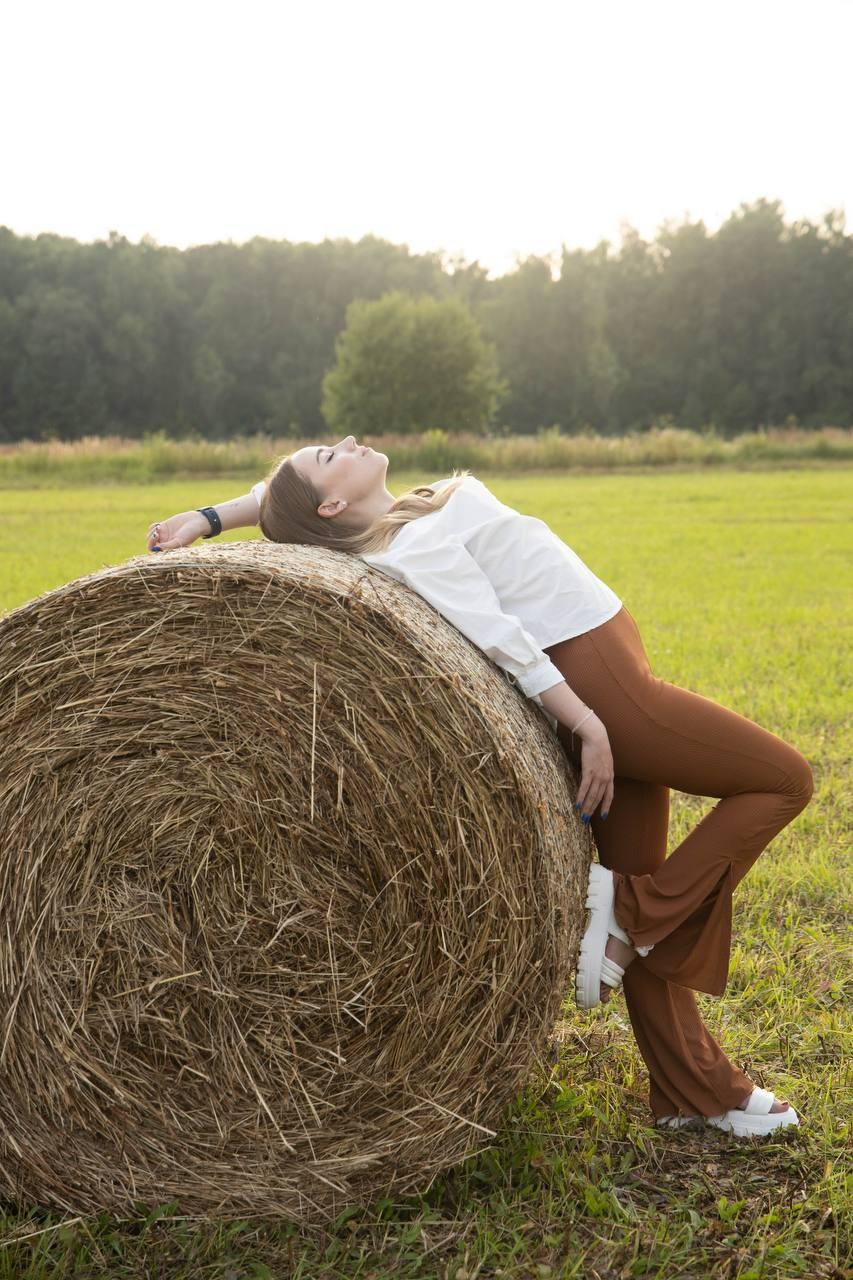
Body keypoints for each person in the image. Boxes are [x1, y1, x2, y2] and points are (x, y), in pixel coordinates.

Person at [146, 434, 814, 1137]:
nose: (344, 439)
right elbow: (498, 635)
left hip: (606, 668)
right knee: (780, 780)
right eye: (325, 454)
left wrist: (209, 516)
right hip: (606, 690)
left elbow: (277, 498)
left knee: (637, 906)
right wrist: (587, 723)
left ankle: (694, 1090)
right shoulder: (411, 548)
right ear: (333, 501)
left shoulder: (406, 512)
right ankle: (630, 909)